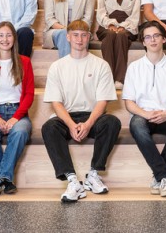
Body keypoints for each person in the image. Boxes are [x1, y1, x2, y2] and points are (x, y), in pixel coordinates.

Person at [41, 20, 121, 202]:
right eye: (75, 35)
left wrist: (88, 124)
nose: (79, 39)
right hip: (66, 116)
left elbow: (102, 101)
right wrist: (70, 124)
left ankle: (93, 175)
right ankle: (72, 180)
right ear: (68, 37)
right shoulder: (57, 66)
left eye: (84, 35)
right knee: (49, 127)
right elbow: (56, 102)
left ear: (89, 38)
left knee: (112, 122)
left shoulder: (101, 65)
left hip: (92, 115)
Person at [123, 21, 166, 197]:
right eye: (148, 37)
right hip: (142, 115)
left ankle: (159, 177)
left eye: (156, 36)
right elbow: (129, 103)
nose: (152, 40)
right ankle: (164, 176)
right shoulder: (134, 68)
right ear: (143, 42)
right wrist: (145, 113)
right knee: (136, 125)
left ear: (163, 39)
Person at [0, 22, 34, 196]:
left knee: (20, 132)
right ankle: (6, 179)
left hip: (18, 112)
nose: (5, 39)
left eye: (9, 35)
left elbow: (29, 95)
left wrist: (15, 118)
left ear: (14, 38)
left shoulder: (24, 62)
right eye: (1, 35)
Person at [96, 0, 141, 88]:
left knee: (121, 36)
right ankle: (108, 78)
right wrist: (110, 24)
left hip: (128, 26)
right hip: (106, 25)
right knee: (110, 35)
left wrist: (124, 26)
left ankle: (120, 79)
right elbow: (101, 11)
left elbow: (135, 15)